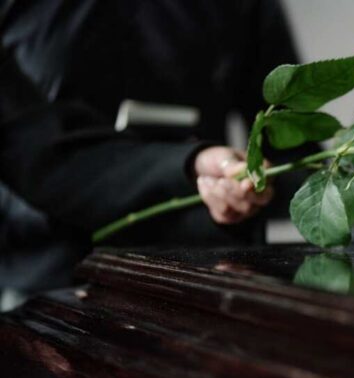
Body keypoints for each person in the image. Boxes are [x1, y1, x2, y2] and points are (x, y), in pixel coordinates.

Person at [0, 0, 300, 296]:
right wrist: (192, 165)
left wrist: (246, 185)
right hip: (41, 278)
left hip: (196, 273)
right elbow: (30, 145)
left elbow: (292, 148)